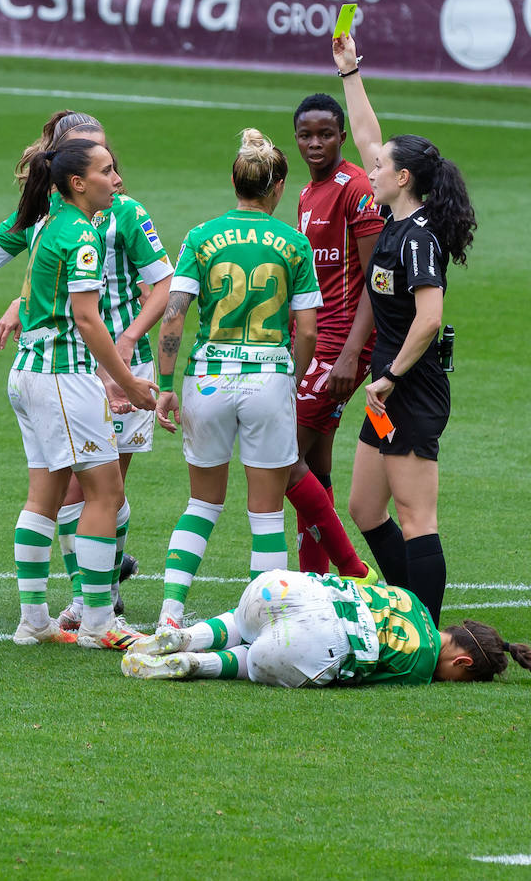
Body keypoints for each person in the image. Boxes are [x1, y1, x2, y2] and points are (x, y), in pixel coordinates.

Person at [0, 111, 173, 629]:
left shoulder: (122, 214)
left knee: (97, 488)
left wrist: (124, 346)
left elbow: (160, 286)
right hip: (74, 370)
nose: (114, 173)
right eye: (100, 162)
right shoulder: (54, 216)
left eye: (110, 158)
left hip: (105, 360)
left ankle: (86, 591)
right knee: (92, 491)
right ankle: (93, 604)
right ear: (69, 171)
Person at [331, 33, 479, 626]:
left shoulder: (418, 238)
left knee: (417, 516)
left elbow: (430, 317)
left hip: (409, 390)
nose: (372, 166)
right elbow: (369, 135)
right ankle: (409, 611)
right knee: (365, 507)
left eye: (382, 166)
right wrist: (350, 73)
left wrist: (390, 374)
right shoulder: (396, 216)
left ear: (405, 177)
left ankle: (425, 629)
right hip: (385, 388)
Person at [154, 128, 323, 627]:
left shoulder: (201, 237)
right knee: (266, 514)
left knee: (202, 503)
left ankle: (169, 612)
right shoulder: (293, 242)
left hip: (206, 379)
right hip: (267, 377)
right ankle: (267, 624)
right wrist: (289, 375)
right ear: (277, 188)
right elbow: (309, 331)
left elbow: (174, 319)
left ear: (234, 181)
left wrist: (165, 385)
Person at [5, 137, 157, 649]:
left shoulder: (51, 220)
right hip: (62, 378)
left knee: (43, 496)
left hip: (28, 372)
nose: (116, 180)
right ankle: (98, 623)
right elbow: (89, 321)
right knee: (106, 493)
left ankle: (33, 622)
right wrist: (129, 381)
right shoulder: (83, 235)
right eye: (107, 171)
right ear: (77, 183)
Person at [120, 569, 531, 687]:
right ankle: (194, 664)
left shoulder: (413, 599)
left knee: (243, 622)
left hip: (280, 588)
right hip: (314, 640)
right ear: (461, 660)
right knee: (258, 656)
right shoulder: (420, 667)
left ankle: (188, 635)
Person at [285, 93, 382, 580]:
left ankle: (351, 571)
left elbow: (376, 280)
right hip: (315, 344)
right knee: (314, 470)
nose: (316, 143)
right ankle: (316, 582)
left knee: (283, 459)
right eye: (306, 135)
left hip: (339, 348)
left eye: (326, 134)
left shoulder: (356, 189)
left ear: (342, 135)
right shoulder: (307, 193)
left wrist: (350, 357)